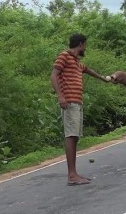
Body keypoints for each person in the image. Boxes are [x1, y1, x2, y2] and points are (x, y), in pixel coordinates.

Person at [50, 33, 111, 186]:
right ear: (81, 44)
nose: (86, 48)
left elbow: (88, 70)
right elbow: (54, 75)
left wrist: (105, 79)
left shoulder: (76, 62)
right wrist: (60, 96)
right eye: (85, 45)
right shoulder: (64, 56)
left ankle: (74, 173)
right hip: (69, 102)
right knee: (71, 136)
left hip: (77, 103)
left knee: (75, 136)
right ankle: (71, 175)